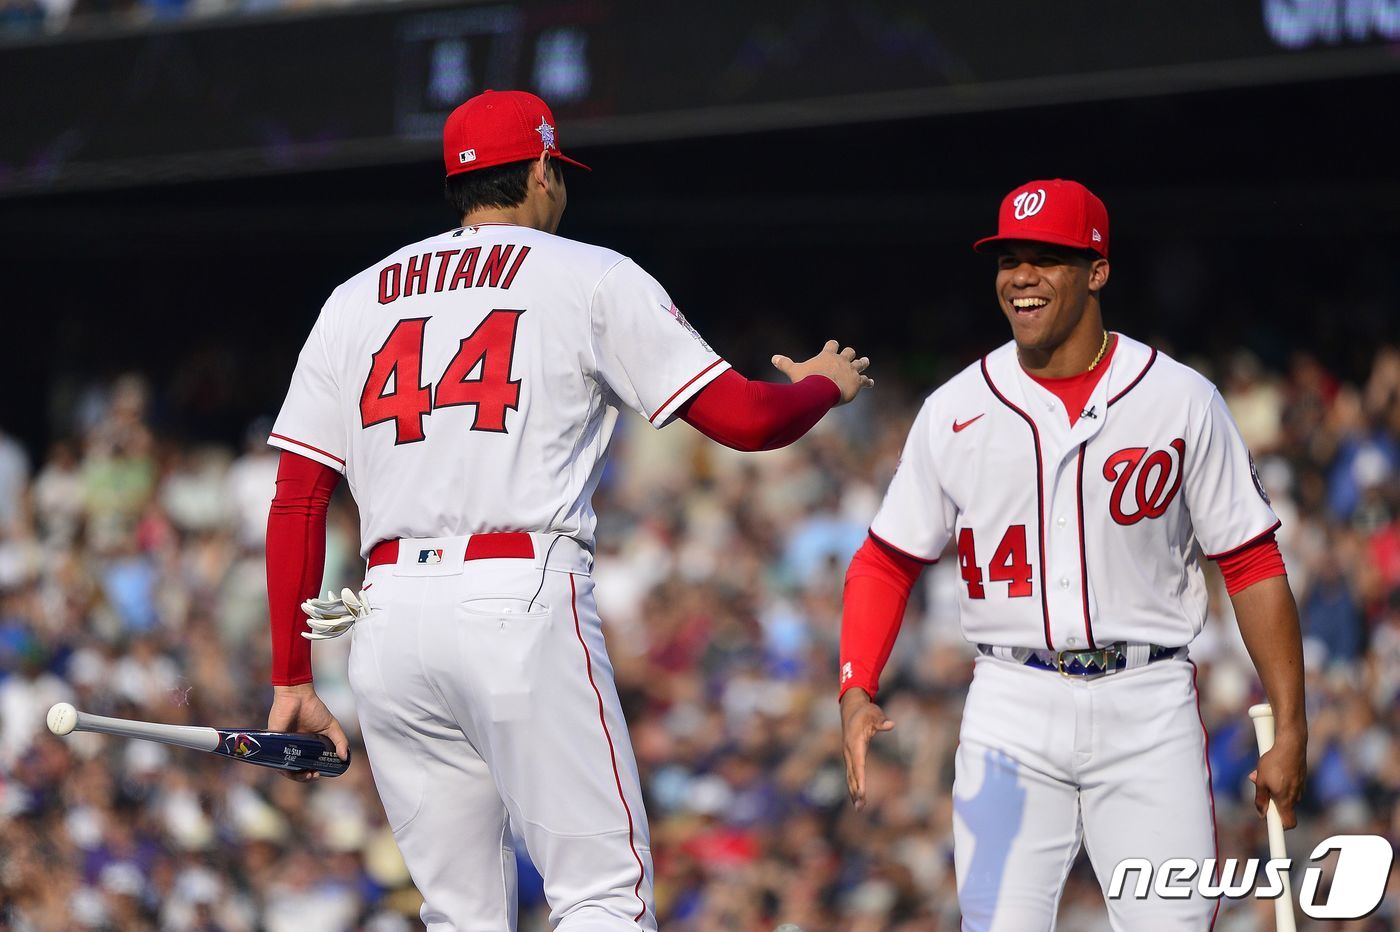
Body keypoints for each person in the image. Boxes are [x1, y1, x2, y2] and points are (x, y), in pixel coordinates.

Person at [262, 89, 872, 931]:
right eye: (559, 173)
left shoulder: (355, 297)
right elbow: (745, 420)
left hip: (387, 615)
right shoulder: (590, 275)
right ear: (543, 170)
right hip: (518, 599)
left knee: (457, 915)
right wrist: (820, 386)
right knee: (599, 894)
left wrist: (292, 674)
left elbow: (298, 499)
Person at [837, 179, 1306, 930]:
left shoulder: (1179, 399)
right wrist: (856, 683)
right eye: (1007, 260)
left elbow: (1249, 561)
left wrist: (1292, 722)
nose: (1020, 277)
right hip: (1011, 702)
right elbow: (886, 560)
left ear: (1097, 271)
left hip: (1146, 702)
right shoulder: (955, 408)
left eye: (1046, 259)